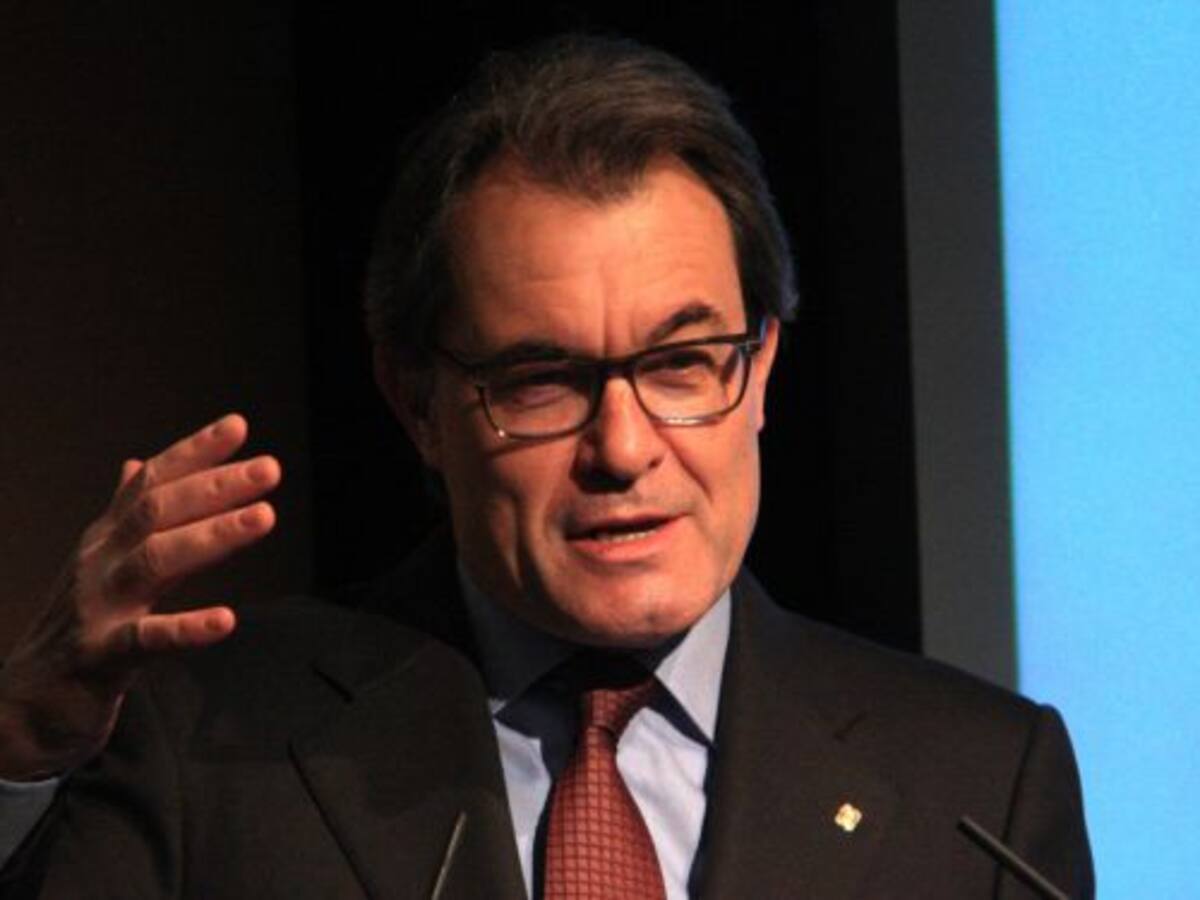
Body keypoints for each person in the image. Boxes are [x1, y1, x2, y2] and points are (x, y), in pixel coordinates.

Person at [0, 34, 1092, 898]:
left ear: (760, 371)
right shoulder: (208, 743)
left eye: (681, 364)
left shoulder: (980, 787)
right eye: (541, 381)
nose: (623, 449)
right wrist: (19, 758)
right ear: (417, 402)